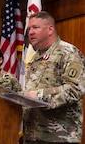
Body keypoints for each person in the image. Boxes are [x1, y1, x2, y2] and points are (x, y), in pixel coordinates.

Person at [23, 11, 85, 144]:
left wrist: (39, 95)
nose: (30, 32)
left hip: (59, 137)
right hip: (33, 135)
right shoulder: (35, 57)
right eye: (29, 29)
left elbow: (75, 90)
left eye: (35, 27)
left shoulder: (68, 52)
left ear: (50, 29)